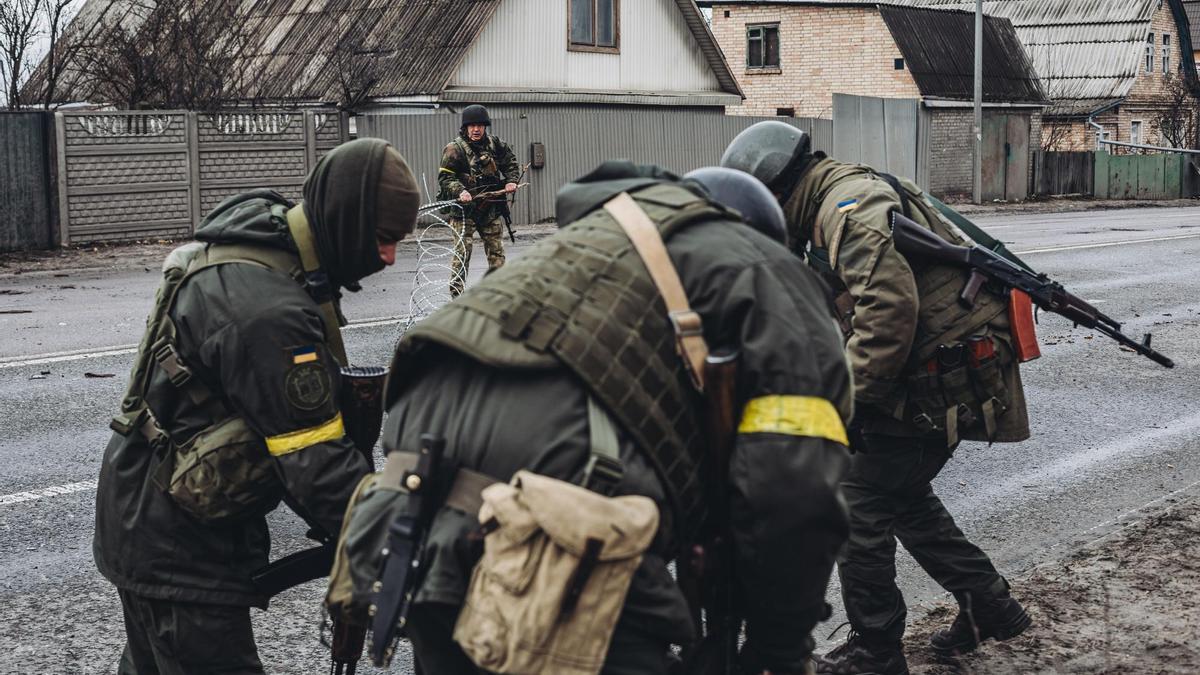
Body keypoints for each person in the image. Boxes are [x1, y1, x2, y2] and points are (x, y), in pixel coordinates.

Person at [375, 161, 853, 674]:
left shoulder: (588, 242)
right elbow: (792, 493)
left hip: (408, 474)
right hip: (553, 501)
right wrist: (778, 650)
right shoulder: (763, 267)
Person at [93, 138, 420, 674]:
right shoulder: (269, 312)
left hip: (149, 508)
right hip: (177, 542)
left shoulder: (269, 244)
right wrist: (408, 548)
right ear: (344, 219)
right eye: (384, 239)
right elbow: (314, 462)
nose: (388, 256)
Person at [722, 121, 1032, 675]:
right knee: (900, 494)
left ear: (777, 192)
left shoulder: (846, 209)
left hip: (947, 368)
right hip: (935, 361)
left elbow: (887, 314)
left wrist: (849, 405)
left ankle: (877, 651)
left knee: (855, 506)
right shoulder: (829, 203)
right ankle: (989, 603)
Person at [438, 104, 521, 297]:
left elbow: (511, 163)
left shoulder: (496, 144)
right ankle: (456, 297)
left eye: (480, 125)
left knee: (496, 252)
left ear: (485, 126)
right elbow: (445, 178)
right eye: (472, 125)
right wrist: (460, 191)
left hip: (490, 209)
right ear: (466, 127)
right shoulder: (454, 149)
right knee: (462, 254)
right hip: (464, 211)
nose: (476, 129)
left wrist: (511, 181)